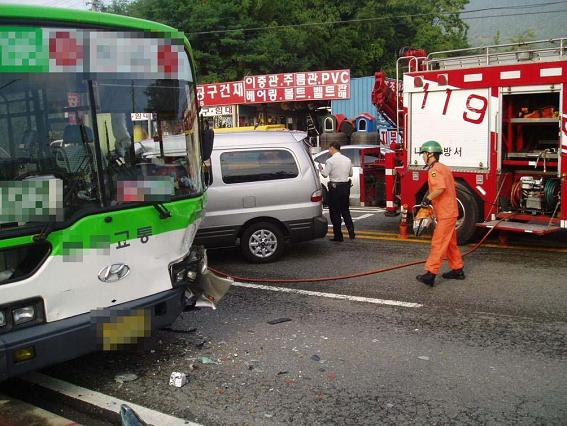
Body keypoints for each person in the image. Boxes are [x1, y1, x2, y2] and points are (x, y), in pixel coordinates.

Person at [416, 140, 465, 286]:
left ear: (430, 154)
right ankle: (457, 270)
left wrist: (427, 199)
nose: (423, 157)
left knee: (438, 243)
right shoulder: (443, 167)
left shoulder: (434, 170)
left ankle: (430, 274)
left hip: (446, 213)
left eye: (424, 154)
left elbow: (440, 188)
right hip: (450, 211)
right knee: (450, 243)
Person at [319, 142, 355, 242]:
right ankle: (351, 232)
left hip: (334, 189)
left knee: (335, 212)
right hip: (345, 187)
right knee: (345, 211)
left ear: (332, 148)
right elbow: (351, 174)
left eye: (330, 149)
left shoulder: (330, 161)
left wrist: (321, 169)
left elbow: (325, 175)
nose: (329, 151)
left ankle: (338, 236)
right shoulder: (347, 160)